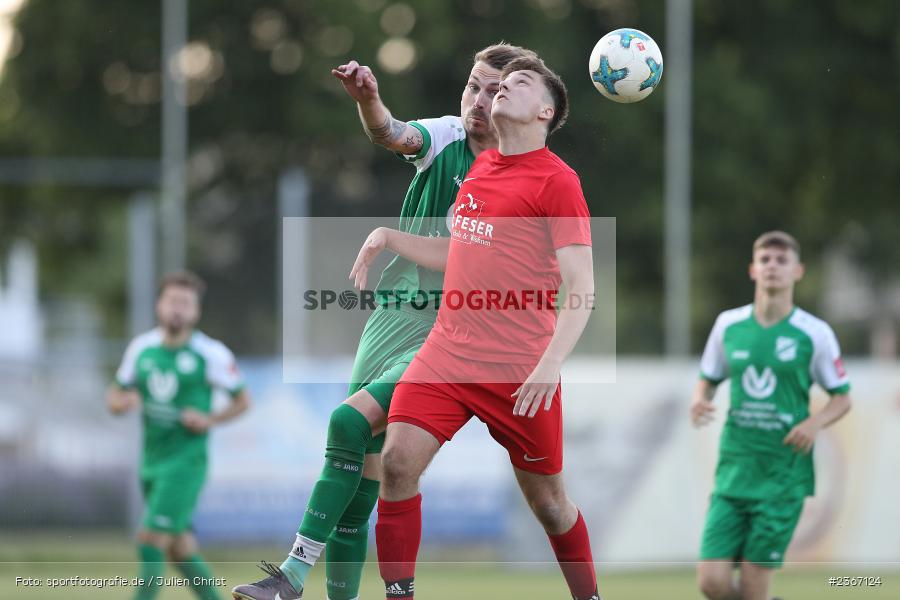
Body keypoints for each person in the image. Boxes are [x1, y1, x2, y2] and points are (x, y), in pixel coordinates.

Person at [232, 43, 538, 600]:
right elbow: (392, 133)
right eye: (474, 85)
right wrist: (369, 100)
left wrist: (392, 237)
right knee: (361, 480)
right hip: (391, 320)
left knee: (348, 426)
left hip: (454, 331)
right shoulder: (446, 136)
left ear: (520, 102)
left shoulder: (525, 175)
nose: (478, 100)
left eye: (495, 91)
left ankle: (293, 575)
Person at [372, 56, 600, 600]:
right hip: (448, 352)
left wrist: (549, 364)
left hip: (519, 369)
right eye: (500, 83)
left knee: (549, 505)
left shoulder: (558, 181)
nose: (502, 88)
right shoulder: (481, 169)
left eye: (519, 83)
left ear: (545, 111)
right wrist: (389, 236)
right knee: (398, 463)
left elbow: (582, 288)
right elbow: (462, 251)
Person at [691, 231, 853, 600]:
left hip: (782, 478)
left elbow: (842, 399)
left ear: (798, 271)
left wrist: (814, 423)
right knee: (711, 582)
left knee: (752, 585)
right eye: (765, 260)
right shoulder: (728, 326)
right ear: (752, 270)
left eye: (782, 261)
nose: (773, 267)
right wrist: (700, 399)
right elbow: (708, 378)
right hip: (733, 474)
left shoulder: (814, 333)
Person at [108, 271, 250, 600]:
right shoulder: (141, 349)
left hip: (186, 463)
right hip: (151, 462)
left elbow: (243, 401)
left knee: (150, 540)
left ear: (195, 312)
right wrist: (122, 402)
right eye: (173, 301)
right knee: (180, 549)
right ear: (159, 305)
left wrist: (210, 419)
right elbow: (114, 395)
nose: (178, 309)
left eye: (185, 303)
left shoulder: (210, 353)